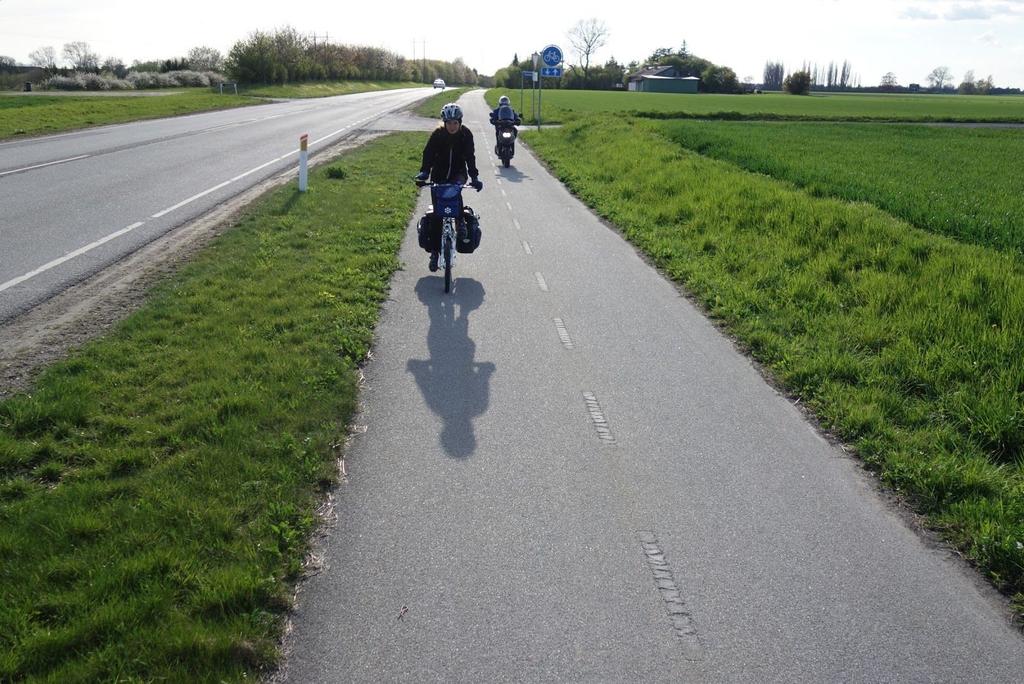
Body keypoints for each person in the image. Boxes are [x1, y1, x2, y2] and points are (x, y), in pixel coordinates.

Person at [415, 103, 483, 272]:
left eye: (455, 123)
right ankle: (435, 254)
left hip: (458, 174)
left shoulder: (466, 134)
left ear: (460, 122)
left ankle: (460, 223)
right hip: (438, 175)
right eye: (449, 123)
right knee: (438, 215)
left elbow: (470, 156)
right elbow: (428, 153)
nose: (452, 126)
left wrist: (474, 177)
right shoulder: (438, 135)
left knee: (455, 197)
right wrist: (424, 173)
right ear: (444, 122)